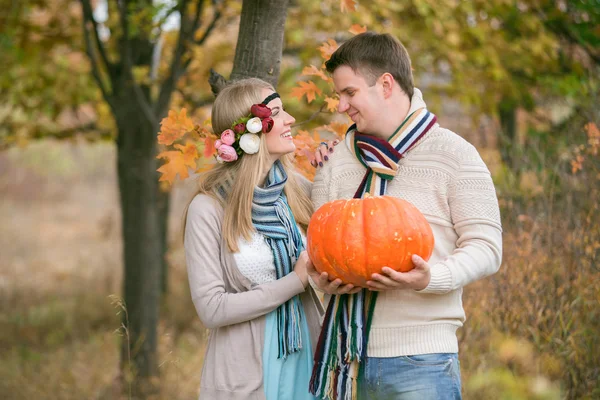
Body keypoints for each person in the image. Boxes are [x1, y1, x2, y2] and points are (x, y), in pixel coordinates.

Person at [308, 32, 503, 399]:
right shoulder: (335, 161)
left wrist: (432, 278)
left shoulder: (454, 154)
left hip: (422, 361)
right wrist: (323, 279)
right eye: (338, 95)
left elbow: (487, 246)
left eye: (348, 93)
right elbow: (319, 247)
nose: (340, 106)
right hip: (344, 361)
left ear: (385, 84)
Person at [184, 78, 324, 400]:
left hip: (306, 353)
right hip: (245, 369)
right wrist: (295, 280)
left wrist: (333, 169)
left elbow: (344, 238)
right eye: (277, 112)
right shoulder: (208, 208)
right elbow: (212, 308)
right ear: (251, 132)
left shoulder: (296, 190)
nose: (290, 119)